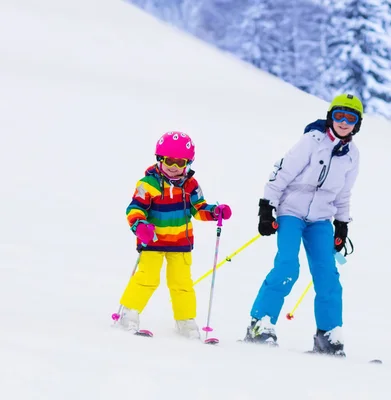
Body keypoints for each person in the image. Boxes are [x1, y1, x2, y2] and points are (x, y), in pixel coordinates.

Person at [244, 94, 363, 356]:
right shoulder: (312, 141)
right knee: (287, 266)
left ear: (357, 124)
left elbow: (344, 194)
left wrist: (342, 224)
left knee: (328, 277)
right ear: (331, 117)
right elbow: (283, 171)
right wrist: (267, 207)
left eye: (350, 118)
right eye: (339, 116)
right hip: (291, 212)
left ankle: (328, 335)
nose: (343, 122)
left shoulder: (352, 156)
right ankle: (259, 324)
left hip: (321, 219)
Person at [116, 131, 231, 339]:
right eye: (170, 160)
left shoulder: (191, 185)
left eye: (180, 162)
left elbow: (199, 209)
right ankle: (129, 313)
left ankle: (185, 320)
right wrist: (140, 226)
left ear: (188, 162)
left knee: (182, 283)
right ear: (160, 159)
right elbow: (134, 209)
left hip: (180, 243)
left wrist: (215, 212)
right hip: (152, 241)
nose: (174, 167)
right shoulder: (147, 184)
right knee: (147, 279)